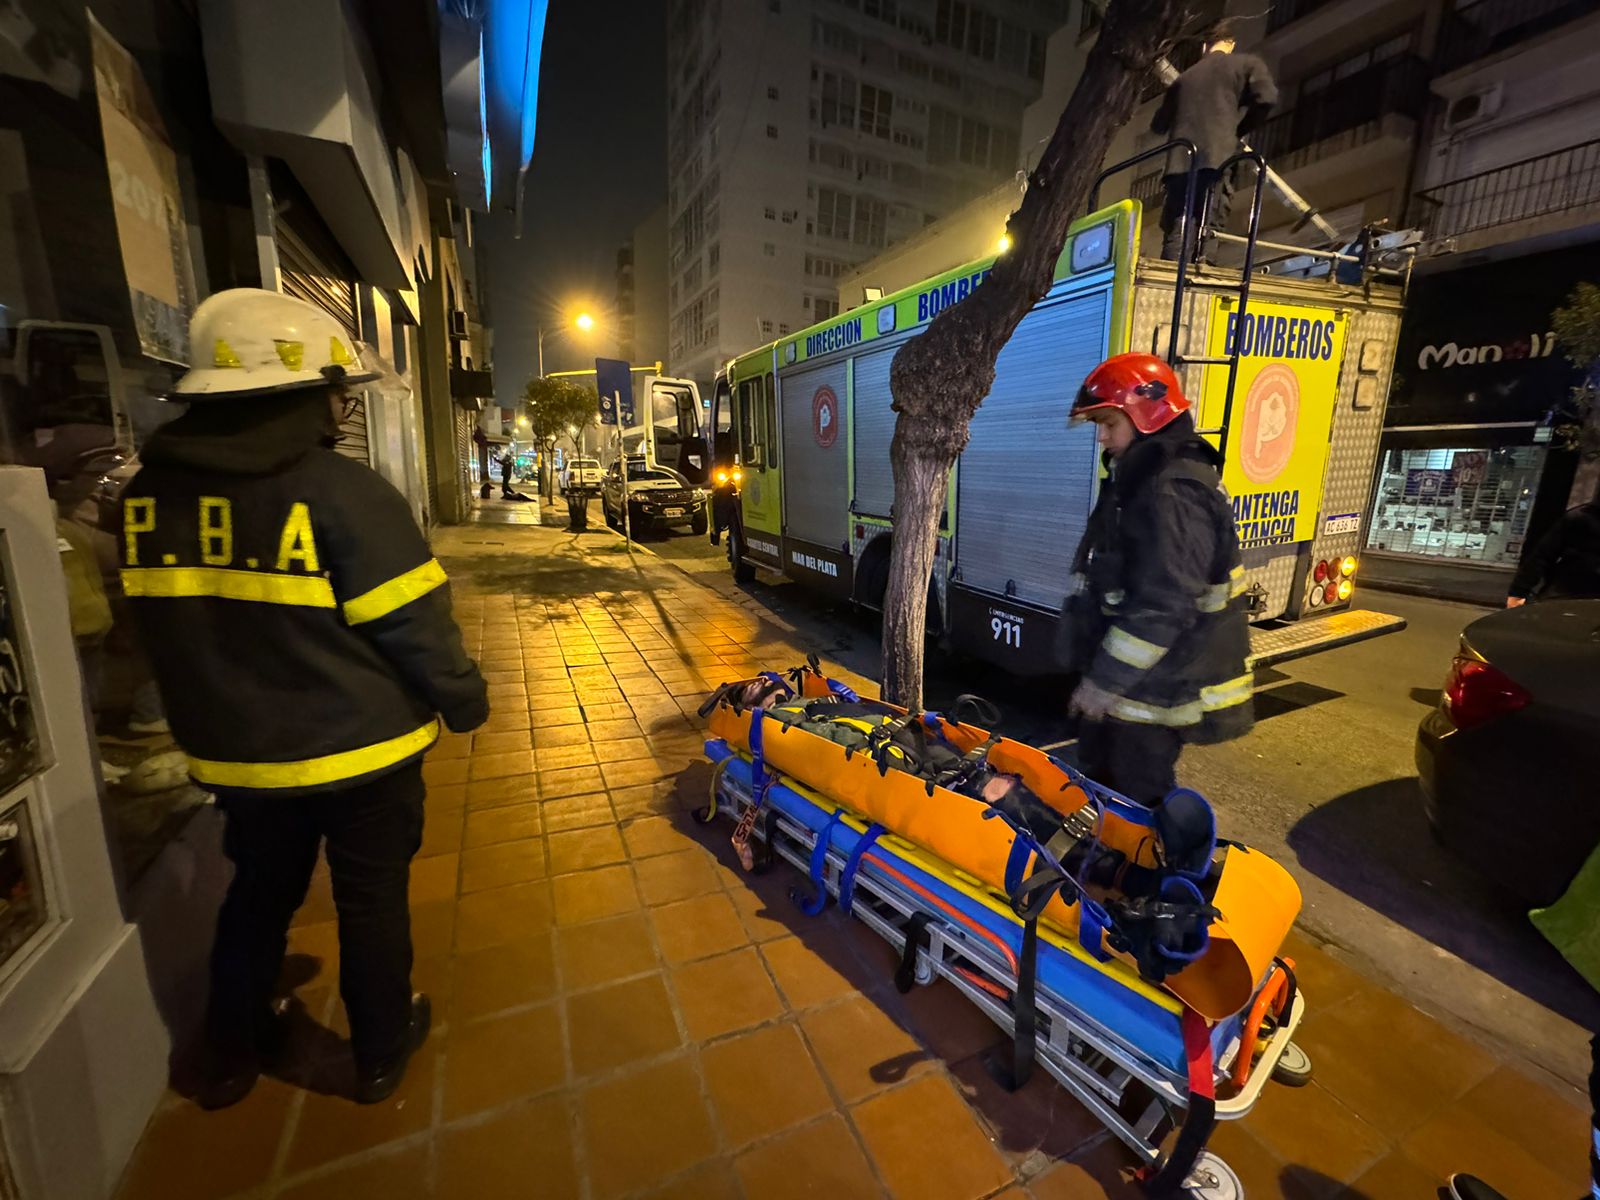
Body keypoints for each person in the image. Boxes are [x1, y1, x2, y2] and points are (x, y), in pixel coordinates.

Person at [120, 289, 488, 1110]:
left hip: (239, 756)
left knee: (257, 891)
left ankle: (228, 1052)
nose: (344, 405)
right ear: (299, 393)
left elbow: (152, 630)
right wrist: (463, 700)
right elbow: (415, 626)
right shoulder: (340, 493)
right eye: (337, 390)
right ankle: (381, 1053)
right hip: (363, 750)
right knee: (369, 898)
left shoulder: (145, 499)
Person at [1056, 353, 1253, 806]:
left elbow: (1166, 604)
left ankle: (1156, 873)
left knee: (1134, 806)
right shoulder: (1145, 478)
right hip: (1137, 691)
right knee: (1104, 797)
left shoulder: (1171, 491)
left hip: (1153, 697)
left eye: (1109, 424)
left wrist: (1102, 682)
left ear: (1146, 414)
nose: (1103, 439)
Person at [1150, 19, 1278, 262]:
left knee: (1178, 227)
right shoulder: (1246, 64)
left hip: (1179, 165)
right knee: (1209, 223)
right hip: (1216, 159)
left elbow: (1158, 124)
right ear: (1231, 44)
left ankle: (1168, 279)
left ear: (1204, 47)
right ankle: (1202, 269)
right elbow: (1267, 98)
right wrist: (1239, 129)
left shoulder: (1183, 79)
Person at [1507, 498, 1600, 607]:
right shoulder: (1581, 517)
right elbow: (1542, 555)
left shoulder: (1580, 517)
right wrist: (1518, 592)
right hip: (1568, 590)